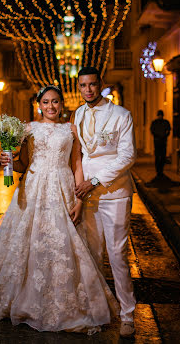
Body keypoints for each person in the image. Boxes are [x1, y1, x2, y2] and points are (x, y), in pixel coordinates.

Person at [0, 85, 118, 334]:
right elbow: (23, 164)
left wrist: (79, 200)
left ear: (62, 104)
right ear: (39, 105)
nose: (51, 107)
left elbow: (77, 163)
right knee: (28, 241)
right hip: (34, 187)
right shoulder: (29, 129)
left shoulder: (71, 129)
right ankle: (22, 299)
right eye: (46, 102)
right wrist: (7, 161)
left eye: (56, 102)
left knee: (62, 243)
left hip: (62, 187)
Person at [72, 67, 137, 338]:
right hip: (86, 195)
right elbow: (78, 154)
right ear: (79, 87)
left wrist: (95, 180)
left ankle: (128, 314)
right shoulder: (77, 114)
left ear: (101, 84)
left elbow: (127, 156)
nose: (88, 90)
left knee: (117, 254)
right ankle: (99, 308)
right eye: (83, 85)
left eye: (93, 85)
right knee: (92, 253)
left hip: (115, 192)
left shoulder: (121, 115)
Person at [150, 110, 171, 177]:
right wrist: (158, 136)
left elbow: (168, 130)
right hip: (157, 142)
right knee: (157, 156)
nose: (160, 116)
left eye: (161, 115)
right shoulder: (155, 123)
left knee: (162, 157)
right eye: (159, 115)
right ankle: (158, 170)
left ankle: (161, 170)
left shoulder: (165, 122)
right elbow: (152, 131)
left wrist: (165, 136)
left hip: (163, 142)